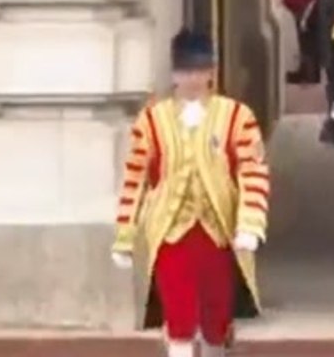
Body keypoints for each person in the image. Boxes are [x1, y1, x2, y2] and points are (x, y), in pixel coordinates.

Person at [110, 29, 270, 357]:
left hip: (220, 235)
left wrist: (250, 224)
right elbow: (135, 178)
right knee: (178, 318)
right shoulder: (151, 120)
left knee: (216, 321)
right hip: (170, 235)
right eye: (186, 71)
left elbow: (252, 171)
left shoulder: (237, 117)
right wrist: (125, 235)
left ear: (212, 72)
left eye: (200, 70)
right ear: (174, 75)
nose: (193, 79)